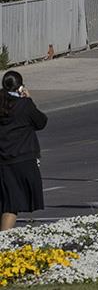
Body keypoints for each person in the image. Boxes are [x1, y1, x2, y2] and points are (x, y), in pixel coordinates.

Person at [0, 71, 46, 230]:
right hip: (22, 159)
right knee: (12, 205)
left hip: (3, 161)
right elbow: (41, 122)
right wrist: (28, 99)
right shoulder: (24, 105)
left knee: (7, 203)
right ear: (20, 87)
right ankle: (3, 244)